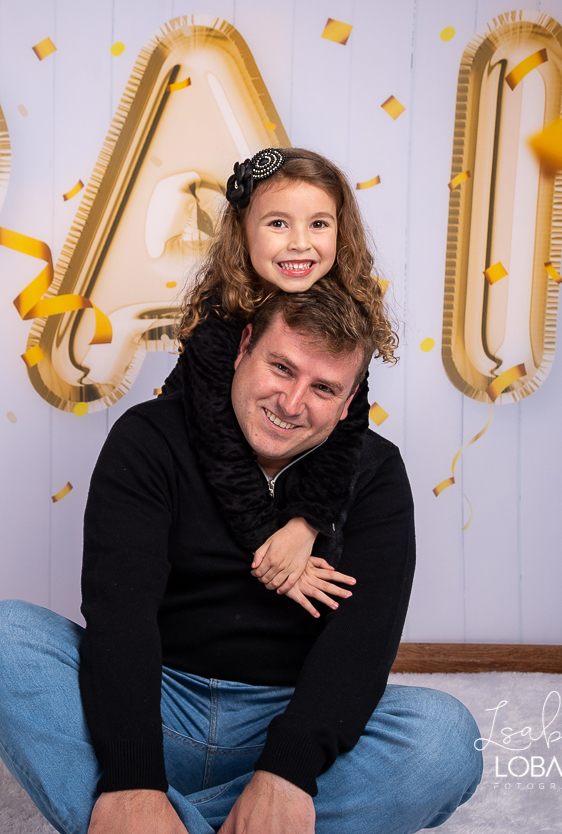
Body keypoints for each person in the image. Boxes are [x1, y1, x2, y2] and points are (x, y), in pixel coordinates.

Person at [0, 282, 483, 833]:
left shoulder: (374, 473)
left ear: (350, 402)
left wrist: (288, 771)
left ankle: (171, 822)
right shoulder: (149, 437)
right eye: (281, 368)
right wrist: (133, 776)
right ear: (244, 347)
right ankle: (155, 808)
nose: (292, 404)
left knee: (444, 737)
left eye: (323, 388)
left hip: (283, 716)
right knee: (1, 638)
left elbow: (364, 642)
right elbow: (121, 615)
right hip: (156, 702)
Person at [161, 148, 393, 617]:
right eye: (278, 224)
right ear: (242, 231)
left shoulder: (343, 319)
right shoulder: (218, 323)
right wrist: (275, 548)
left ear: (341, 233)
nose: (300, 244)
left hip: (283, 479)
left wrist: (306, 526)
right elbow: (220, 448)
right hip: (205, 479)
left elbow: (348, 431)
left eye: (319, 224)